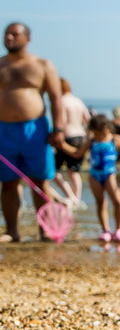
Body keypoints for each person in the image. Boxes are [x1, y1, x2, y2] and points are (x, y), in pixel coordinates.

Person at [0, 22, 71, 243]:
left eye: (14, 34)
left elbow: (56, 98)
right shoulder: (0, 65)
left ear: (27, 38)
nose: (9, 37)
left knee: (40, 181)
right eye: (6, 34)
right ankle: (12, 231)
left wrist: (58, 129)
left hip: (35, 130)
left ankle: (45, 230)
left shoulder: (42, 65)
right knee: (8, 183)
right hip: (4, 130)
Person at [77, 115, 120, 242]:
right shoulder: (91, 141)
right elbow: (78, 153)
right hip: (94, 175)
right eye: (96, 133)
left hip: (110, 174)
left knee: (118, 201)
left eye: (101, 133)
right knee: (100, 202)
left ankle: (119, 230)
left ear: (107, 128)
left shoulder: (116, 139)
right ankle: (105, 231)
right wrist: (62, 145)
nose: (99, 136)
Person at [53, 78, 90, 205]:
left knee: (54, 171)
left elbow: (61, 122)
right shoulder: (78, 100)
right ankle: (77, 199)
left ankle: (71, 196)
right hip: (81, 136)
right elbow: (87, 119)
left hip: (67, 137)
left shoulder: (61, 101)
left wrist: (55, 137)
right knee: (74, 171)